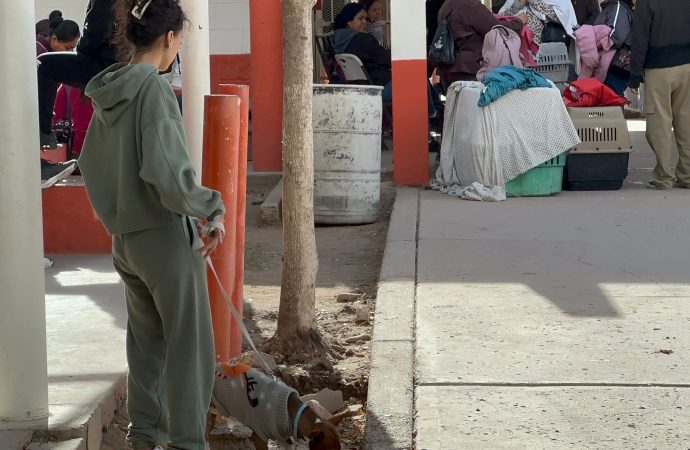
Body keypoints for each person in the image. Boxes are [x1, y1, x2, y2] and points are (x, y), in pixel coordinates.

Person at [78, 0, 226, 448]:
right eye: (180, 38)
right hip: (163, 236)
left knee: (146, 349)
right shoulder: (154, 90)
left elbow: (89, 162)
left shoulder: (110, 90)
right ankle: (185, 442)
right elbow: (167, 173)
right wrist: (209, 207)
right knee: (190, 349)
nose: (179, 45)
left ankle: (142, 438)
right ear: (169, 39)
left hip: (126, 240)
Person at [37, 0, 118, 152]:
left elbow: (96, 31)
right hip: (121, 61)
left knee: (43, 64)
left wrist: (81, 49)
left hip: (105, 64)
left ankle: (43, 136)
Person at [629, 0, 690, 190]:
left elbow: (640, 38)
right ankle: (687, 175)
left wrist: (634, 76)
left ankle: (664, 177)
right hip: (687, 65)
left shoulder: (647, 2)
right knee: (686, 121)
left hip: (658, 68)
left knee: (659, 124)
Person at [35, 11, 81, 189]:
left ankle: (40, 166)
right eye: (68, 48)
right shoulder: (42, 55)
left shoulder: (41, 49)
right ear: (54, 39)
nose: (71, 53)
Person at [436, 0, 525, 90]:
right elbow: (496, 28)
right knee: (476, 102)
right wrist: (519, 22)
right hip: (469, 69)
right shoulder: (470, 5)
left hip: (448, 67)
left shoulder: (446, 5)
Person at [333, 4, 392, 101]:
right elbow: (386, 58)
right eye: (360, 18)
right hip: (378, 89)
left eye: (365, 18)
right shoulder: (363, 39)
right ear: (348, 21)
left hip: (359, 91)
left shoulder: (337, 41)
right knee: (417, 81)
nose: (364, 22)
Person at [593, 0, 633, 95]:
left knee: (611, 105)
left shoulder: (618, 7)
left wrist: (593, 41)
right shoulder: (611, 7)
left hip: (614, 69)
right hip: (611, 68)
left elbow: (616, 36)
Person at [500, 0, 577, 44]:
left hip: (546, 44)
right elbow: (503, 17)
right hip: (520, 44)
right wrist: (518, 5)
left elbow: (561, 17)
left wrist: (533, 1)